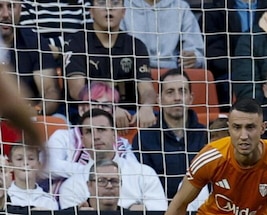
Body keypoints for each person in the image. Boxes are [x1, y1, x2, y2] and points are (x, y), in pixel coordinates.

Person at [63, 0, 158, 128]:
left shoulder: (136, 46)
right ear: (91, 11)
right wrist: (109, 107)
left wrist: (147, 106)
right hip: (83, 113)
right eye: (102, 3)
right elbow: (76, 90)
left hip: (128, 115)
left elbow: (147, 89)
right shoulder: (76, 42)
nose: (109, 8)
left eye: (115, 3)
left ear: (124, 12)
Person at [57, 109, 168, 211]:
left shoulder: (144, 174)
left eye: (101, 130)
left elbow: (160, 214)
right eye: (89, 131)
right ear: (82, 140)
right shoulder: (71, 186)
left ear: (114, 134)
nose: (96, 137)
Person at [134, 69, 208, 199]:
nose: (177, 98)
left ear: (190, 98)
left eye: (182, 91)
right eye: (170, 92)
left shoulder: (206, 136)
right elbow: (141, 184)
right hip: (158, 208)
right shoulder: (144, 138)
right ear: (159, 100)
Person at [0, 0, 62, 117]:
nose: (5, 14)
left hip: (26, 117)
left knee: (59, 120)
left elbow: (50, 90)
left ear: (20, 9)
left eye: (11, 6)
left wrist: (36, 110)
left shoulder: (35, 42)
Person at [121, 0, 206, 70]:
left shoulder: (181, 7)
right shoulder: (124, 6)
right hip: (133, 71)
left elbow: (197, 53)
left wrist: (193, 59)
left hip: (173, 73)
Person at [2, 143, 58, 210]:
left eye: (31, 159)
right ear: (10, 166)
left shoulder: (49, 201)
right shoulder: (4, 198)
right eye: (19, 159)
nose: (25, 162)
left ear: (39, 165)